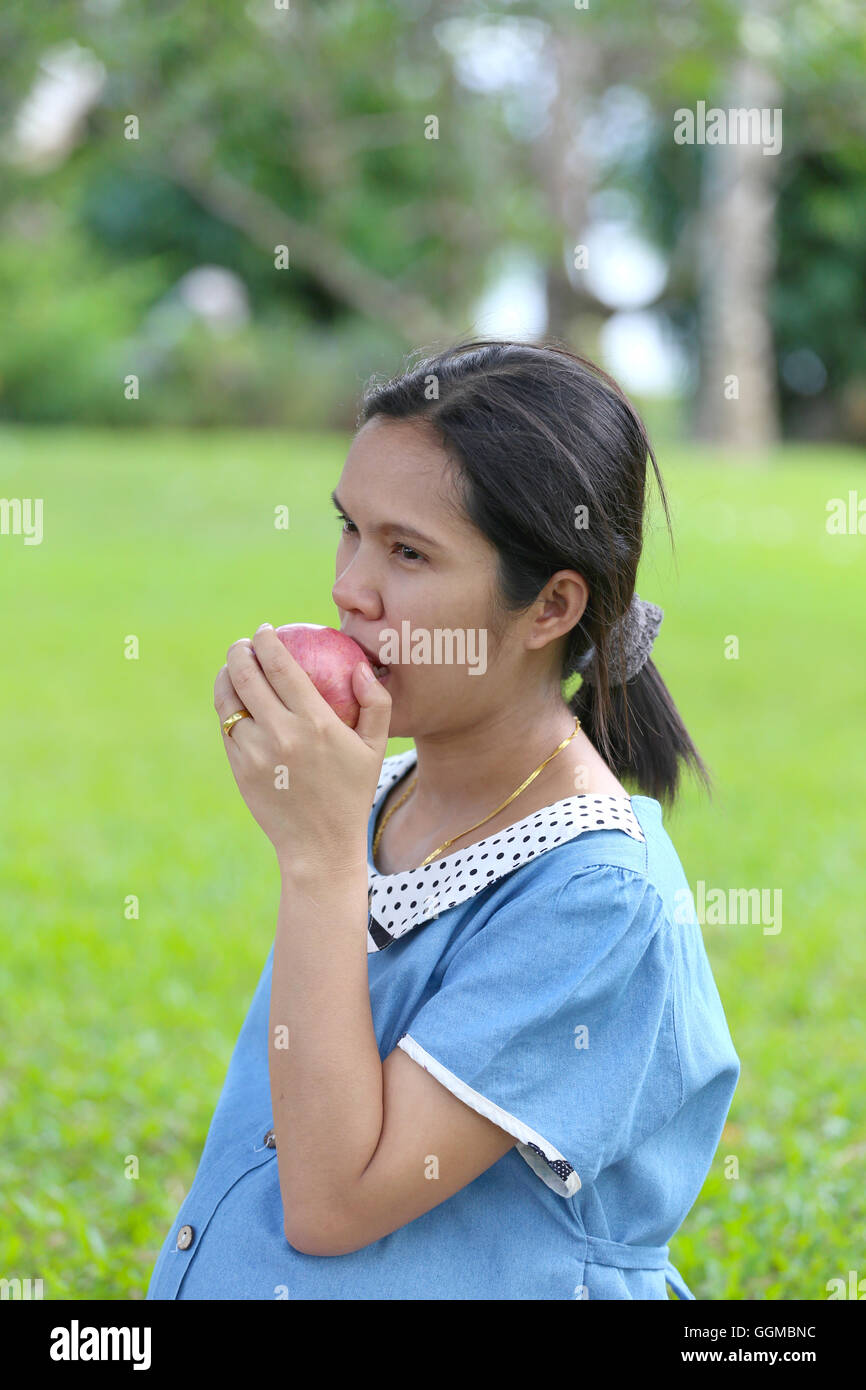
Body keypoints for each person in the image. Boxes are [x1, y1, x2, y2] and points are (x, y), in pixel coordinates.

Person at [146, 338, 740, 1300]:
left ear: (550, 606)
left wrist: (317, 860)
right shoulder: (388, 792)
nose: (350, 586)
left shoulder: (597, 900)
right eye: (350, 527)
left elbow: (336, 1206)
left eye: (408, 551)